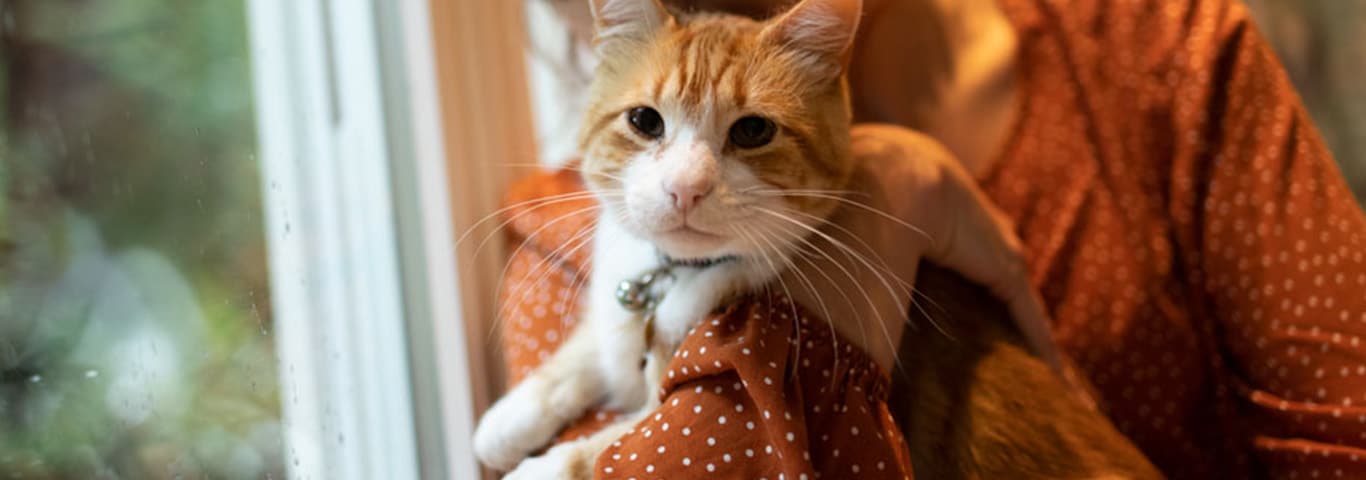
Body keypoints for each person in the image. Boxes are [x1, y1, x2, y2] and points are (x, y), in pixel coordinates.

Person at [501, 0, 1366, 477]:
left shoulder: (1162, 54)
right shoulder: (559, 239)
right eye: (646, 120)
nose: (684, 181)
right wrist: (859, 258)